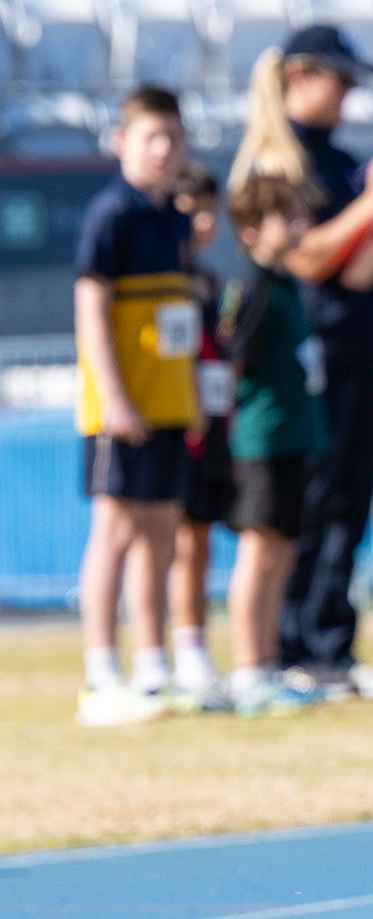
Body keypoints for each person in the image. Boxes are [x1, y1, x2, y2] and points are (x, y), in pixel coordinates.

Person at [230, 24, 373, 700]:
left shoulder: (336, 160)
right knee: (308, 500)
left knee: (348, 494)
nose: (346, 94)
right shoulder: (279, 164)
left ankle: (330, 644)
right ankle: (292, 644)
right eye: (338, 79)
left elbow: (356, 272)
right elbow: (304, 257)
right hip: (300, 357)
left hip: (350, 345)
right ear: (299, 76)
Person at [73, 85, 196, 727]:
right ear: (122, 142)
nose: (165, 148)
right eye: (153, 136)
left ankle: (153, 667)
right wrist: (115, 397)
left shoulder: (173, 217)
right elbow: (90, 309)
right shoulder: (110, 215)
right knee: (114, 534)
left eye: (174, 136)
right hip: (118, 411)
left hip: (170, 406)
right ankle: (101, 673)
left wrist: (192, 397)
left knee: (161, 537)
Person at [223, 174, 330, 716]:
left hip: (295, 437)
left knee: (283, 552)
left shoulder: (286, 282)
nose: (299, 226)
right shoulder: (254, 287)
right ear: (250, 228)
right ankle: (247, 669)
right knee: (259, 551)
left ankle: (266, 664)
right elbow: (232, 361)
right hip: (260, 440)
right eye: (285, 216)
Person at [166, 160, 236, 711]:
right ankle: (179, 653)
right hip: (177, 424)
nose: (206, 221)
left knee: (201, 542)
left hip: (210, 425)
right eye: (195, 210)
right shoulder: (166, 276)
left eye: (212, 209)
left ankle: (194, 648)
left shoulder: (208, 278)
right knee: (180, 545)